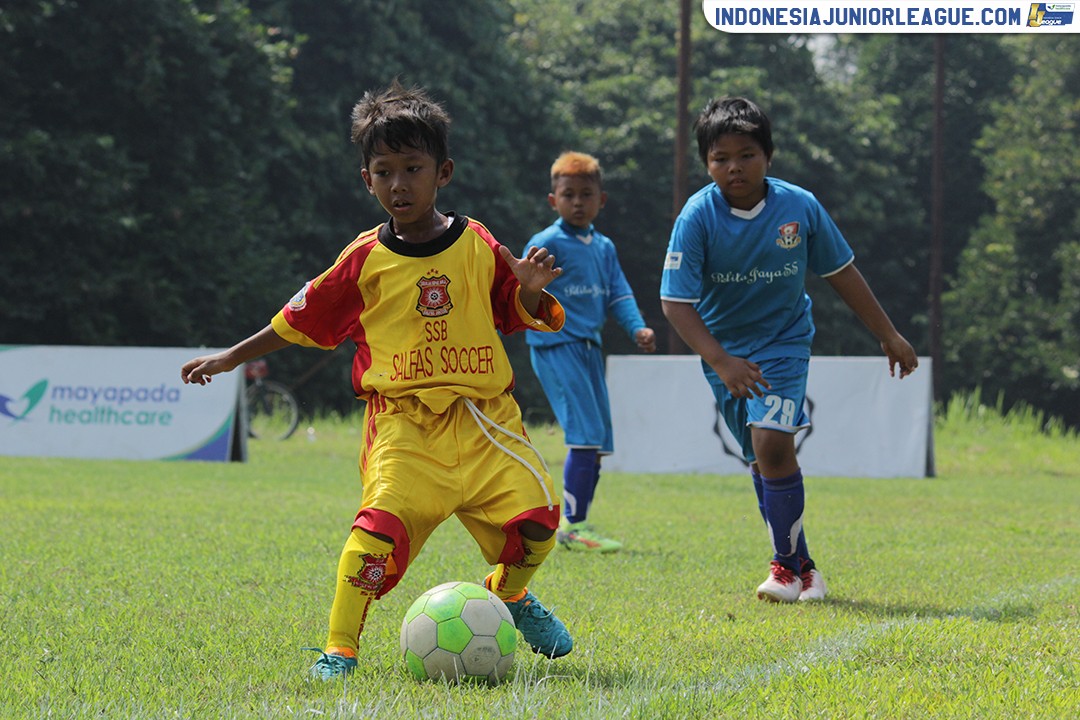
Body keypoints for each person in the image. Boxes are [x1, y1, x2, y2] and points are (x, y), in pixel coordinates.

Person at [181, 81, 574, 679]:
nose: (399, 184)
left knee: (541, 520)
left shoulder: (476, 243)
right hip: (405, 428)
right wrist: (232, 356)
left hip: (486, 421)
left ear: (442, 172)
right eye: (384, 171)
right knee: (376, 536)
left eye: (412, 169)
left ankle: (512, 595)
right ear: (367, 180)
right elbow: (301, 316)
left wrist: (528, 289)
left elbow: (509, 306)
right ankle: (340, 649)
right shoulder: (363, 259)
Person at [660, 97, 918, 603]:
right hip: (724, 351)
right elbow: (675, 303)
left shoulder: (799, 207)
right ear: (706, 163)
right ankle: (805, 569)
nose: (734, 166)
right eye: (720, 158)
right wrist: (721, 361)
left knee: (774, 444)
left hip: (783, 341)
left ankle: (782, 568)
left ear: (769, 156)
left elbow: (841, 272)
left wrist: (888, 333)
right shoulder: (696, 217)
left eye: (747, 154)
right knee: (761, 460)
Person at [524, 151, 656, 553]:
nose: (577, 202)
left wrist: (637, 327)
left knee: (596, 439)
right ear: (553, 200)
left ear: (602, 199)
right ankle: (571, 526)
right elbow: (521, 291)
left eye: (586, 194)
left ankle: (577, 522)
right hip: (556, 345)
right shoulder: (546, 243)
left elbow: (619, 292)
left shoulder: (604, 247)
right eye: (568, 195)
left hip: (588, 348)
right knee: (583, 436)